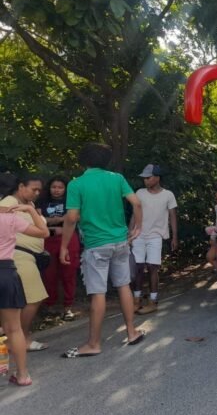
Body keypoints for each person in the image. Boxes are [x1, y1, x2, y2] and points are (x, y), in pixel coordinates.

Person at [60, 143, 146, 358]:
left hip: (96, 244)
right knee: (124, 286)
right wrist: (137, 227)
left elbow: (71, 218)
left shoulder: (76, 184)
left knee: (98, 293)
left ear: (84, 160)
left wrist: (63, 246)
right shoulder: (116, 178)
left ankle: (94, 343)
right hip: (120, 242)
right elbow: (136, 203)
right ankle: (132, 331)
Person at [0, 195, 49, 386]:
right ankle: (22, 375)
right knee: (14, 328)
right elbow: (43, 232)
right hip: (6, 272)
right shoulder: (10, 218)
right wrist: (30, 210)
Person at [130, 164, 178, 315]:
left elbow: (173, 216)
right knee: (137, 267)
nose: (145, 180)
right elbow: (134, 213)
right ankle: (136, 300)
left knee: (152, 267)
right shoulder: (140, 192)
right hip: (139, 234)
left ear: (157, 178)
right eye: (144, 178)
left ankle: (153, 301)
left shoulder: (168, 195)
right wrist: (130, 233)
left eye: (148, 177)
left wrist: (174, 237)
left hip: (156, 236)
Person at [40, 176, 80, 321]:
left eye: (60, 187)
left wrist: (50, 221)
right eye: (54, 187)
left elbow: (76, 217)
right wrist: (61, 220)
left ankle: (68, 307)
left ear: (65, 188)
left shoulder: (71, 200)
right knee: (49, 274)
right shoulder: (41, 201)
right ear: (49, 188)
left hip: (69, 239)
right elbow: (38, 219)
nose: (56, 190)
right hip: (48, 240)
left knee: (68, 273)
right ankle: (49, 306)